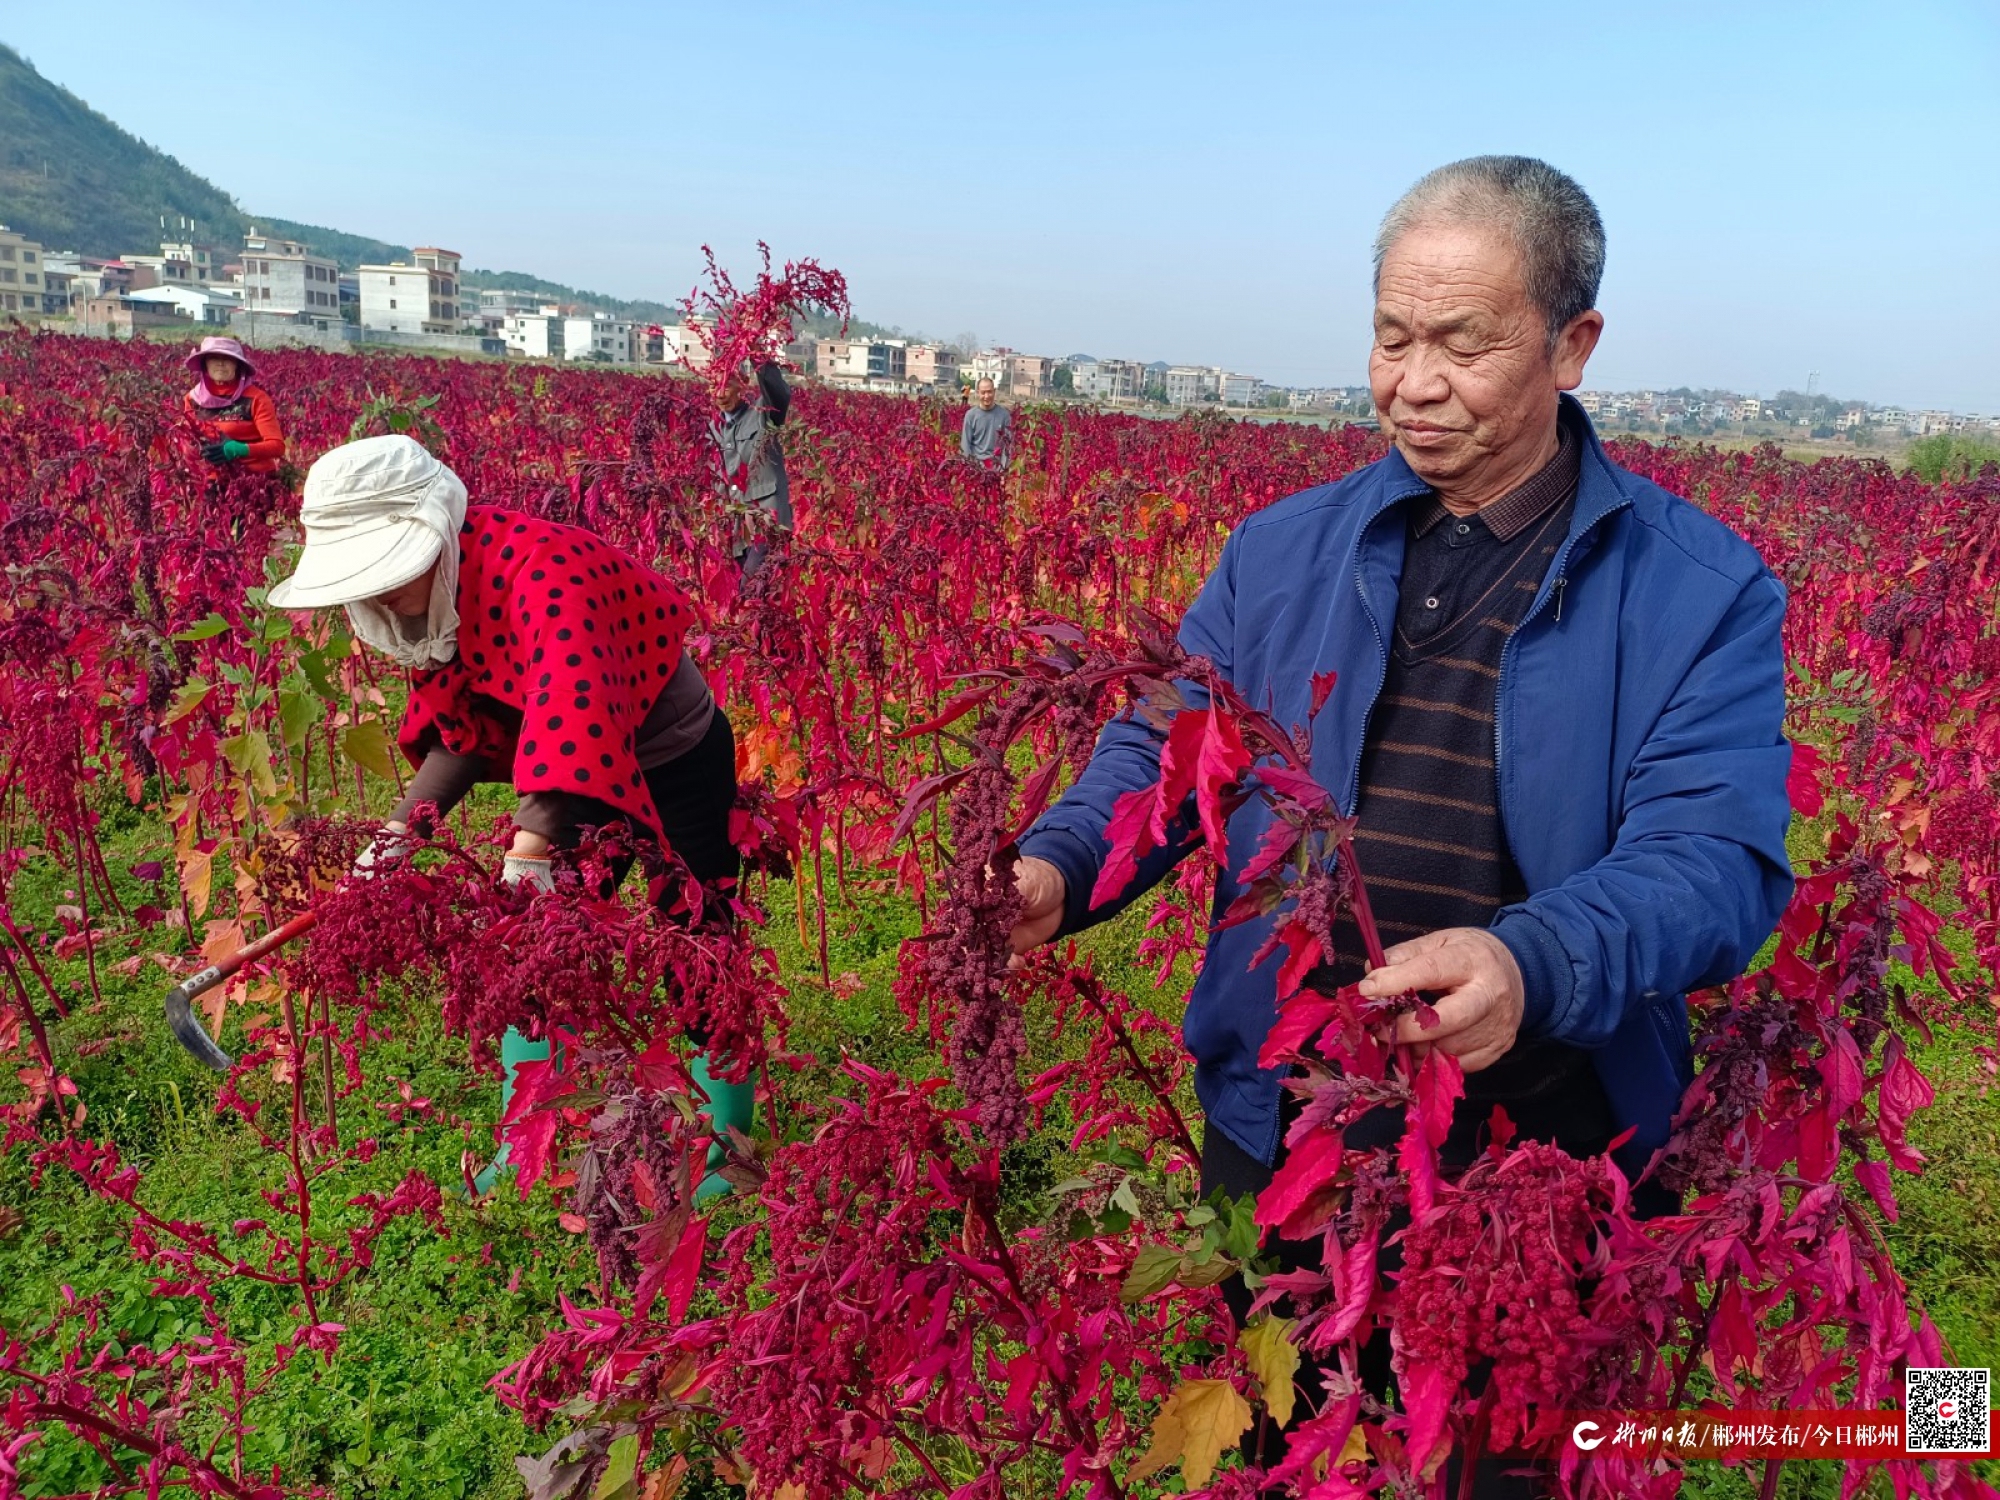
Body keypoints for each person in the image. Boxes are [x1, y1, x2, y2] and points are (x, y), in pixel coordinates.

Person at [1007, 157, 1793, 1492]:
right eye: (1391, 335)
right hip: (1284, 1130)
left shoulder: (1701, 591)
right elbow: (1160, 749)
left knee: (1505, 1460)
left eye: (1462, 344)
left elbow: (1712, 861)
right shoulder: (1281, 554)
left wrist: (1528, 962)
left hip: (1541, 1162)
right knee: (1283, 1436)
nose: (1412, 384)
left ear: (1573, 346)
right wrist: (1057, 864)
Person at [266, 434, 750, 1198]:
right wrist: (396, 837)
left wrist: (528, 854)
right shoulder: (448, 598)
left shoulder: (541, 573)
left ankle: (730, 1146)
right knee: (532, 957)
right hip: (577, 767)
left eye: (389, 571)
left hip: (675, 754)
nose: (382, 594)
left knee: (699, 939)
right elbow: (467, 727)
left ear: (434, 531)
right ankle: (526, 1144)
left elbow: (574, 713)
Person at [714, 359, 791, 576]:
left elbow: (779, 394)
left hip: (767, 522)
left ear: (743, 384)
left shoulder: (763, 414)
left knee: (752, 589)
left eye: (726, 385)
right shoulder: (713, 428)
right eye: (713, 386)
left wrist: (760, 359)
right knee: (738, 594)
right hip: (734, 530)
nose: (720, 394)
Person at [183, 335, 284, 475]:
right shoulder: (192, 399)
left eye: (227, 358)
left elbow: (277, 447)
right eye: (214, 358)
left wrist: (239, 449)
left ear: (237, 364)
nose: (220, 363)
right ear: (204, 364)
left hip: (255, 479)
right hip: (211, 481)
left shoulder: (256, 399)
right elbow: (189, 441)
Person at [960, 377, 1012, 467]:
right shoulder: (971, 415)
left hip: (996, 466)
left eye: (989, 392)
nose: (986, 396)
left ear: (994, 391)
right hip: (976, 467)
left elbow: (1007, 446)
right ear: (977, 392)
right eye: (983, 392)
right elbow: (965, 445)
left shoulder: (1004, 415)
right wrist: (969, 467)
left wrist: (1003, 468)